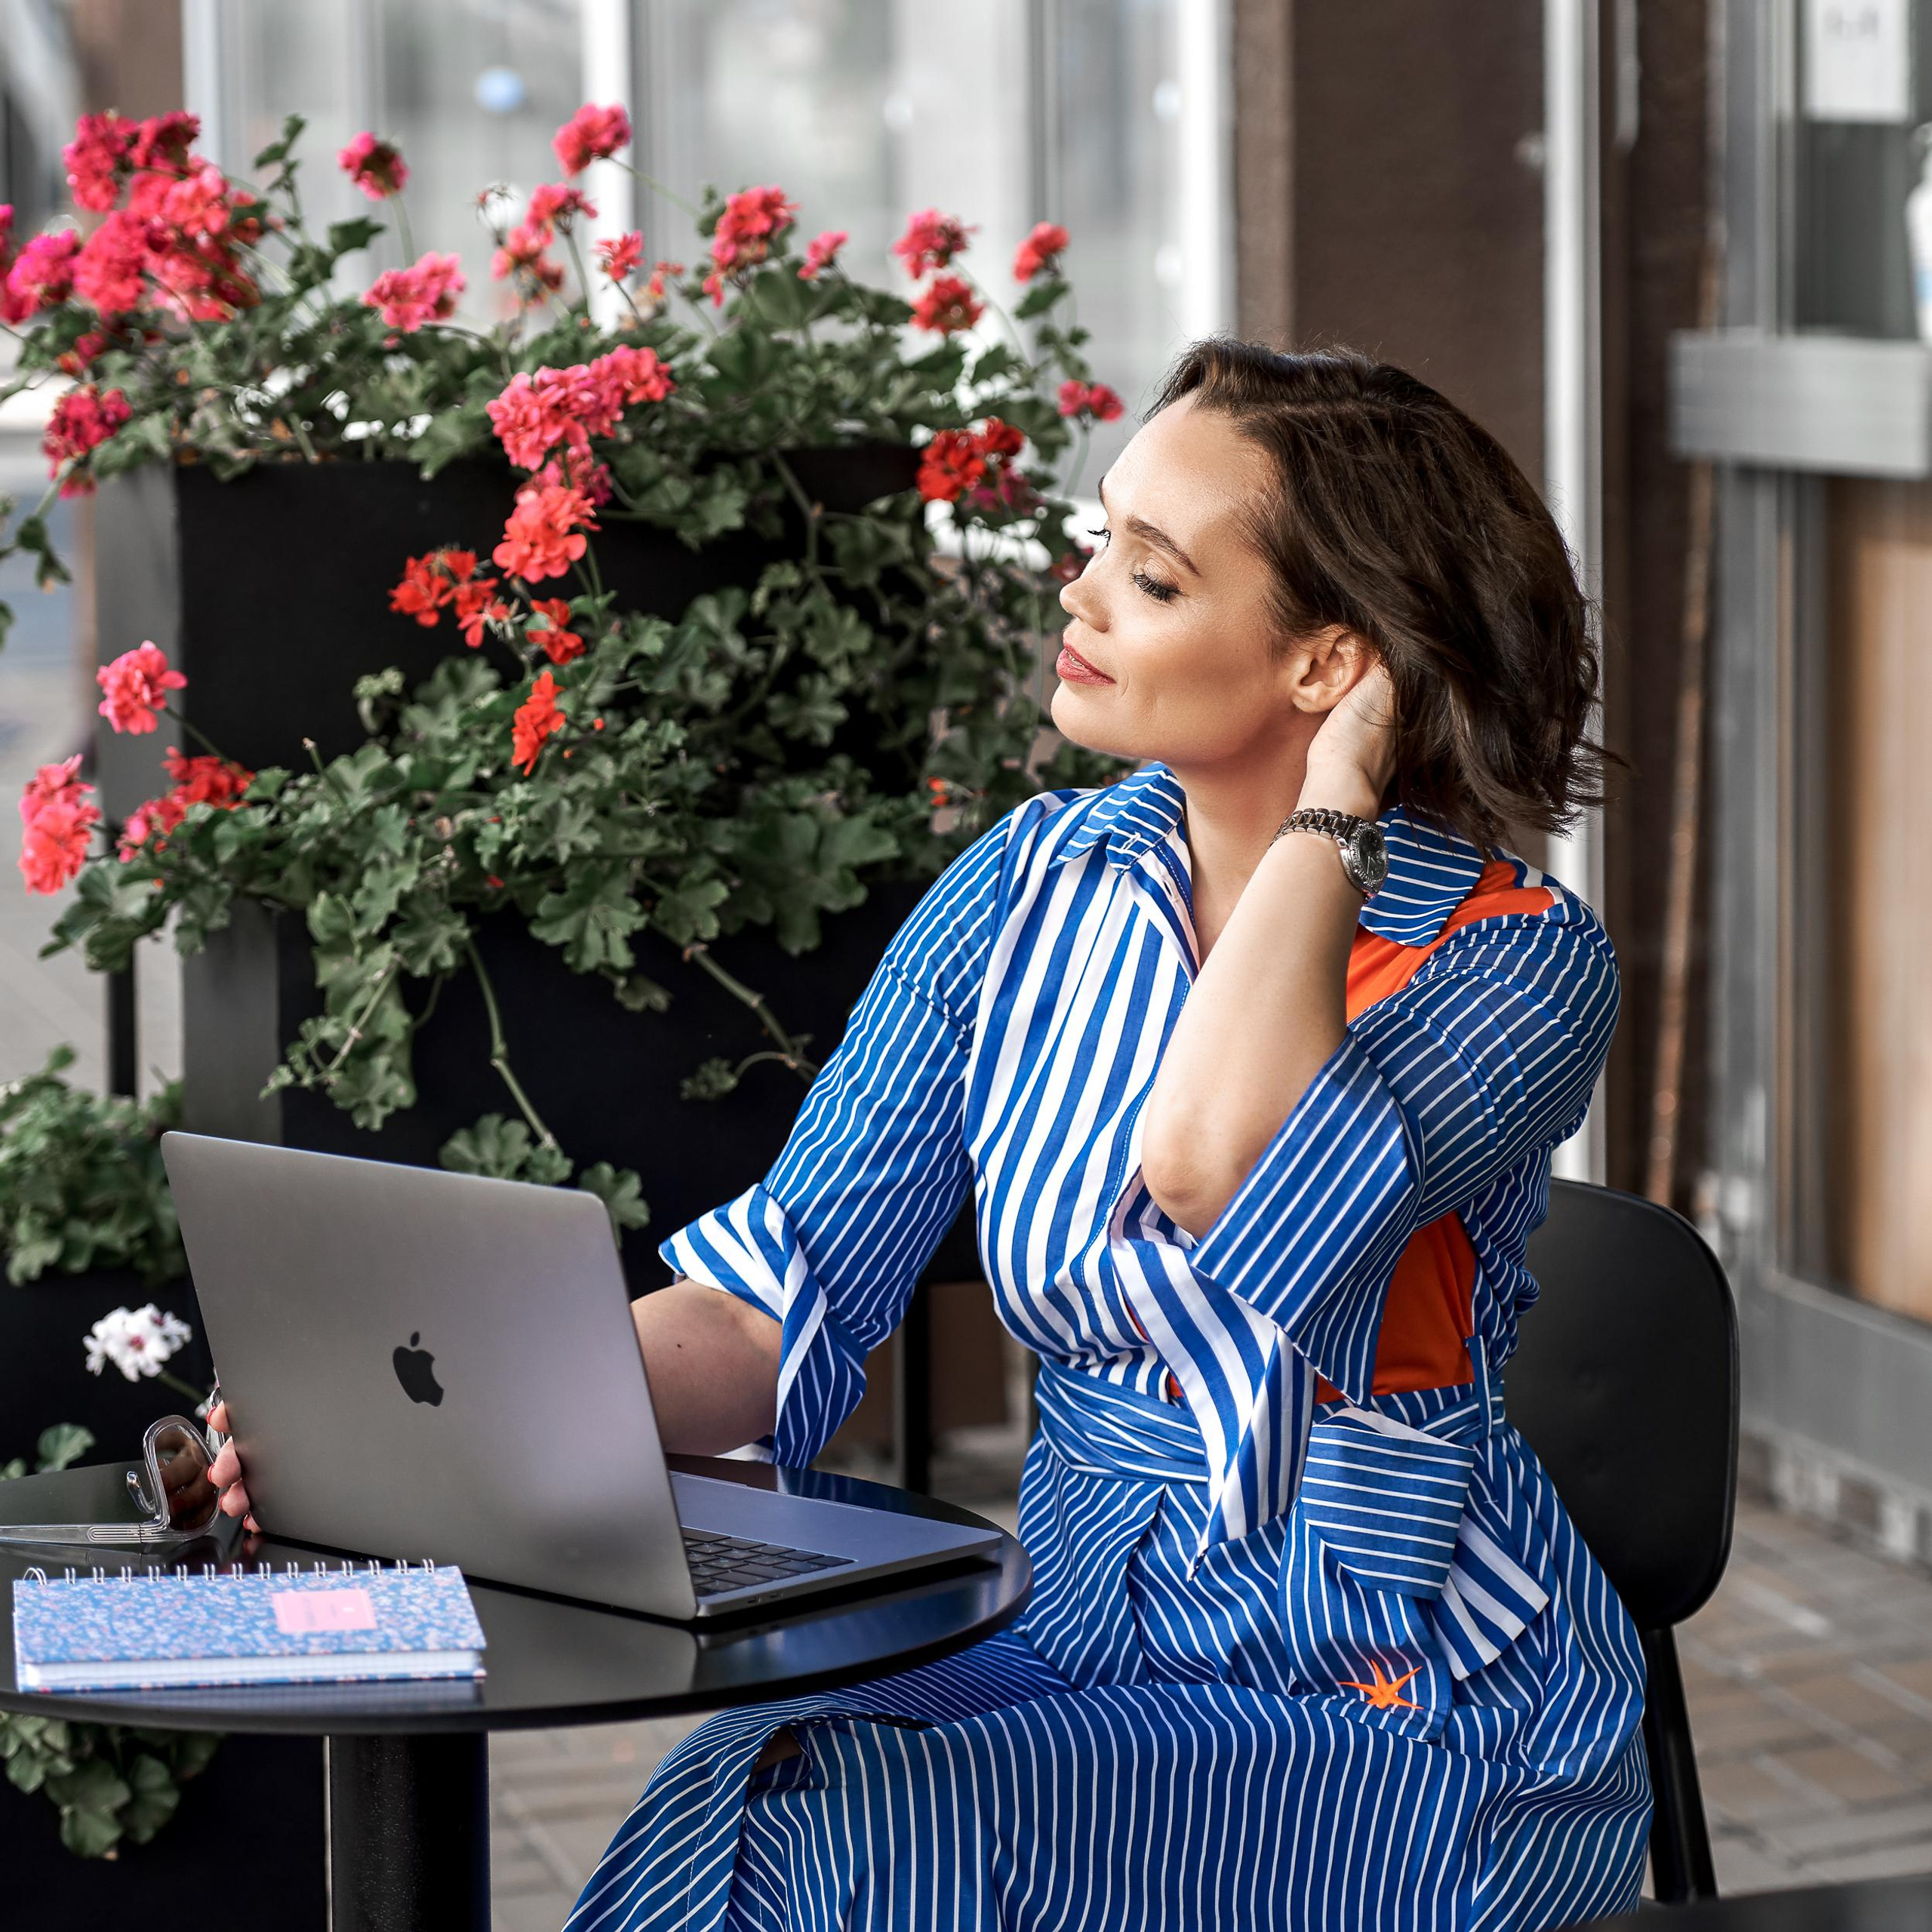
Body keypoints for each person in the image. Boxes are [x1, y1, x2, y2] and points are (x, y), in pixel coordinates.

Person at [209, 339, 1646, 1931]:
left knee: (863, 1836)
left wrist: (1327, 812)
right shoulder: (1026, 889)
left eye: (1151, 577)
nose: (1077, 593)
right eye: (1098, 536)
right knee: (749, 1781)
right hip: (1085, 1629)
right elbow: (774, 1294)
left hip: (1392, 1698)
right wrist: (440, 1417)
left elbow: (1214, 1159)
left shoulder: (1514, 960)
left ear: (1329, 664)